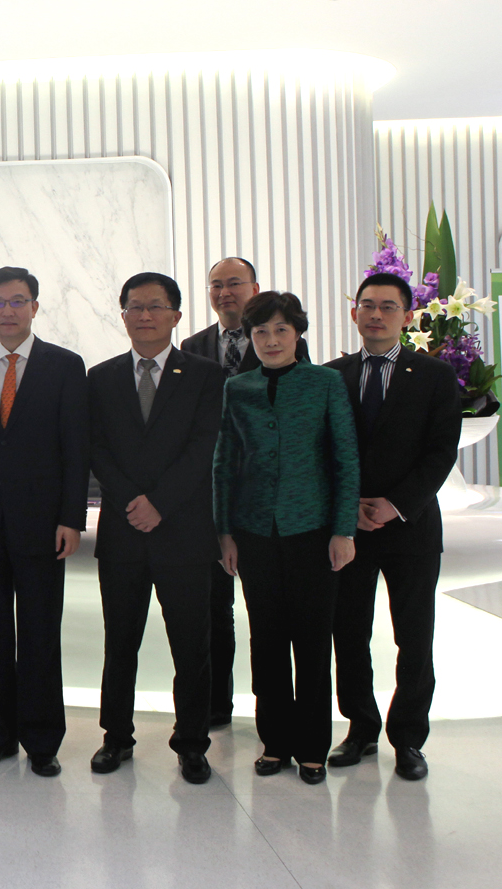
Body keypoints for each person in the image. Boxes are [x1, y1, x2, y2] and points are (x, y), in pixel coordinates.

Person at [213, 291, 359, 785]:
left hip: (313, 531)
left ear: (297, 334)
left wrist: (343, 529)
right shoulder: (238, 388)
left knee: (313, 641)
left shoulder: (325, 383)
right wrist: (225, 531)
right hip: (254, 532)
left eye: (281, 330)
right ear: (250, 338)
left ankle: (313, 746)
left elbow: (345, 459)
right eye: (261, 332)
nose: (271, 340)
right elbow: (224, 463)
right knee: (267, 640)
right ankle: (274, 741)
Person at [0, 267, 88, 777]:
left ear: (34, 306)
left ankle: (42, 739)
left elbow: (75, 448)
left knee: (39, 634)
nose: (7, 310)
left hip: (42, 525)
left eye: (17, 301)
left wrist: (71, 518)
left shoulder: (64, 365)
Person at [86, 274, 222, 785]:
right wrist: (133, 501)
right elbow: (96, 448)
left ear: (176, 316)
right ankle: (116, 737)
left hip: (184, 532)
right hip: (123, 531)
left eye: (155, 307)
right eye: (135, 307)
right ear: (122, 315)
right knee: (120, 642)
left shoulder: (205, 375)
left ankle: (192, 743)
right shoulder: (101, 377)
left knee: (191, 646)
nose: (145, 316)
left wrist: (160, 503)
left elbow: (205, 446)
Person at [326, 273, 461, 781]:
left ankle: (408, 738)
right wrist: (350, 507)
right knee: (349, 633)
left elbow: (441, 451)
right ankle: (360, 728)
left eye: (387, 306)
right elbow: (320, 450)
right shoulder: (331, 376)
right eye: (367, 305)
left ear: (406, 316)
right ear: (354, 313)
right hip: (348, 528)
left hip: (411, 526)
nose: (376, 314)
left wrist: (395, 505)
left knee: (414, 637)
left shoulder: (434, 376)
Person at [180, 257, 259, 728]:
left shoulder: (280, 340)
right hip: (207, 495)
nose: (224, 292)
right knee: (213, 607)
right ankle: (215, 704)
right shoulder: (192, 347)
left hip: (260, 494)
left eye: (234, 284)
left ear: (254, 288)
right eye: (216, 285)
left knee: (266, 608)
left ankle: (272, 709)